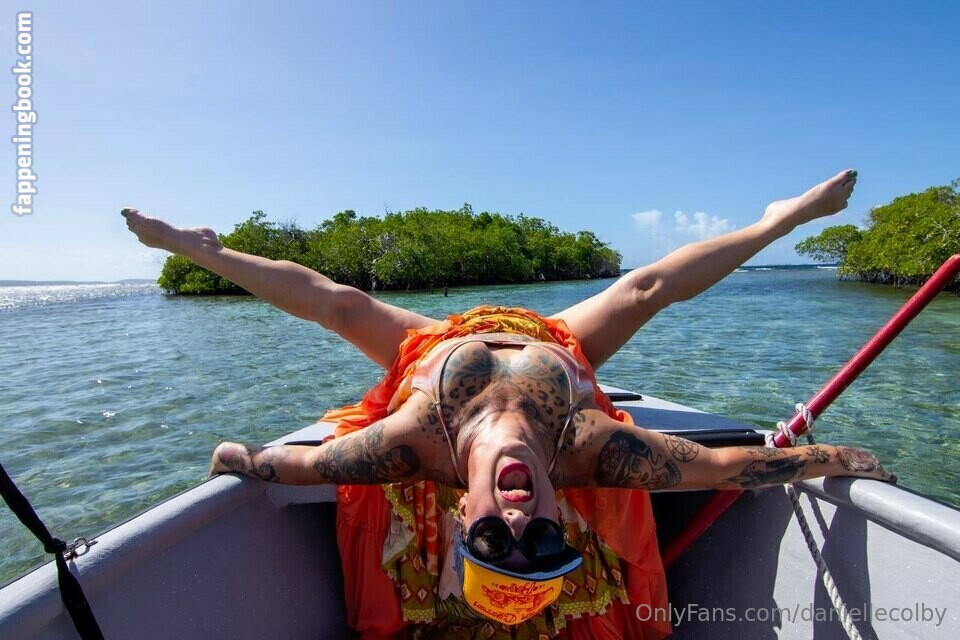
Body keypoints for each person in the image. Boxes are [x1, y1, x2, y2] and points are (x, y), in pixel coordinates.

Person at [124, 169, 894, 639]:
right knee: (644, 289)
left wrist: (239, 458)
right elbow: (729, 468)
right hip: (556, 349)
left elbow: (290, 465)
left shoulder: (410, 444)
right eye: (543, 540)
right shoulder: (594, 451)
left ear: (463, 515)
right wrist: (839, 457)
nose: (520, 524)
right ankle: (783, 216)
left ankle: (202, 247)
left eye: (495, 539)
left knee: (343, 305)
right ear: (564, 514)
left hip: (439, 352)